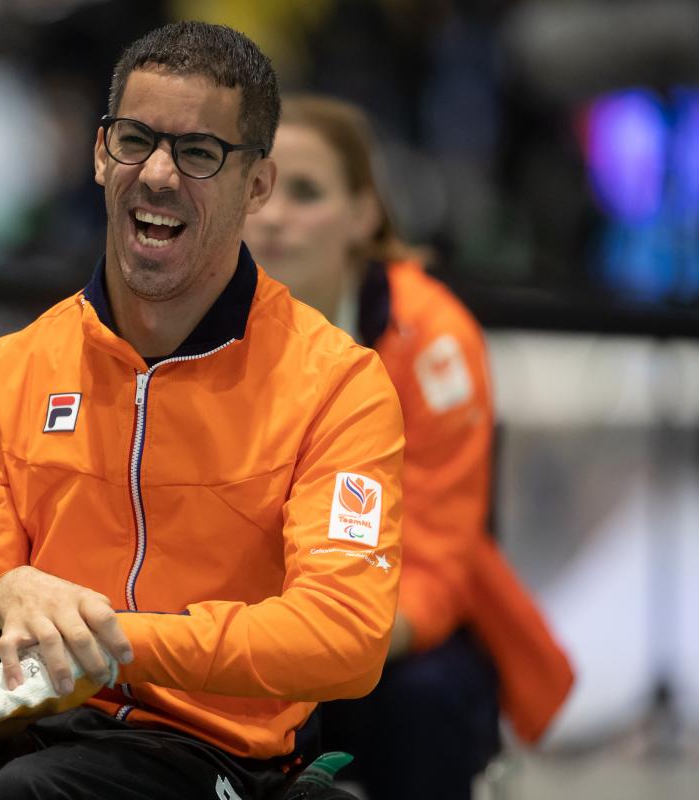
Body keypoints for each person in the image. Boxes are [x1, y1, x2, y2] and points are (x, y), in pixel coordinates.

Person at [0, 21, 406, 800]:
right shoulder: (15, 368)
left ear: (255, 185)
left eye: (198, 153)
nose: (158, 174)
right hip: (32, 724)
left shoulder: (336, 382)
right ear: (101, 154)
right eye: (135, 140)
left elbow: (345, 638)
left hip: (219, 752)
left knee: (25, 797)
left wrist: (111, 641)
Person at [244, 94, 574, 799]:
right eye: (261, 189)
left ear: (365, 214)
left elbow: (435, 556)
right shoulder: (193, 319)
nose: (274, 217)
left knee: (428, 702)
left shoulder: (435, 342)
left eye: (306, 192)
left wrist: (326, 641)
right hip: (242, 620)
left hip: (389, 629)